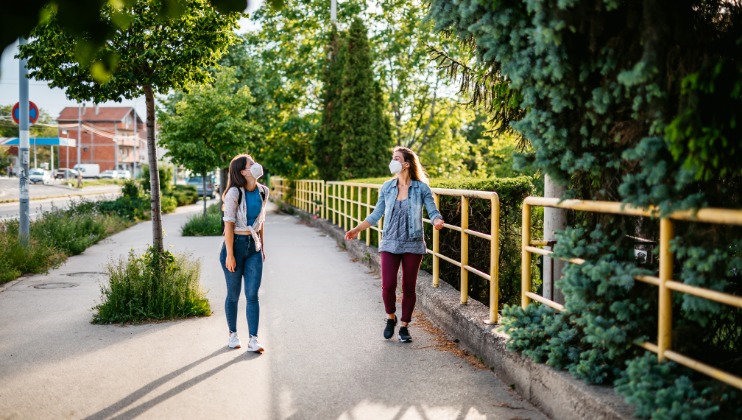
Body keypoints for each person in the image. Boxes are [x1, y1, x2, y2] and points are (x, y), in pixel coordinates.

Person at [344, 146, 444, 343]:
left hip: (413, 243)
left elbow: (432, 210)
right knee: (388, 285)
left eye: (396, 158)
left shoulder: (421, 188)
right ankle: (391, 317)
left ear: (406, 164)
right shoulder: (387, 187)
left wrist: (437, 220)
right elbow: (376, 214)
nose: (393, 161)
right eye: (393, 158)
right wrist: (357, 229)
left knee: (408, 287)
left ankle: (404, 327)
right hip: (389, 242)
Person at [220, 154, 270, 352]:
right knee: (233, 295)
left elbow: (261, 222)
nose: (256, 165)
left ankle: (253, 339)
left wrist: (262, 247)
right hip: (234, 246)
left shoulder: (263, 191)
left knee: (252, 294)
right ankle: (233, 335)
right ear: (243, 171)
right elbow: (228, 225)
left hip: (253, 248)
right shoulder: (234, 193)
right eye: (251, 164)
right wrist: (230, 255)